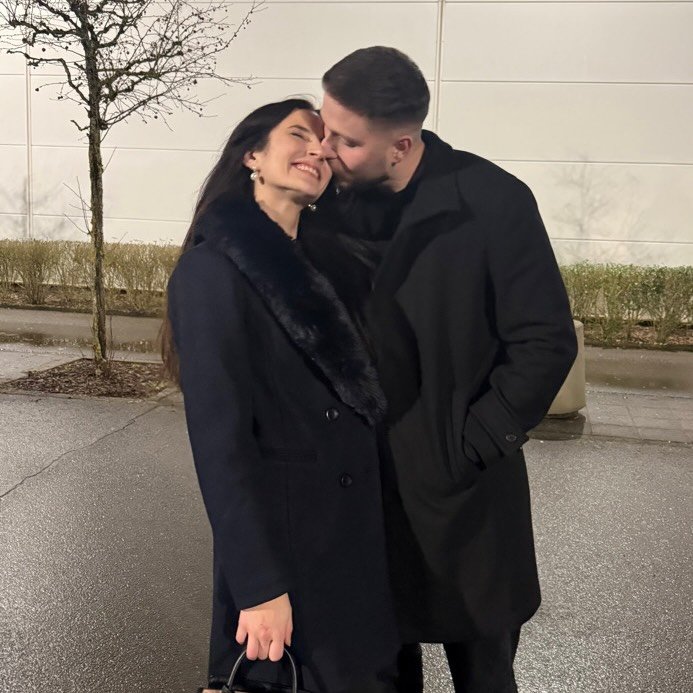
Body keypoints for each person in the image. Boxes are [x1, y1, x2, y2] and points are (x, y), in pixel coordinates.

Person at [315, 47, 579, 692]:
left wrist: (471, 444)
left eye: (347, 140)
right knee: (380, 672)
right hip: (361, 495)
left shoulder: (492, 202)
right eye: (325, 127)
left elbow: (545, 340)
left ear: (401, 147)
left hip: (467, 502)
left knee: (485, 673)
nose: (325, 148)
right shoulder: (326, 206)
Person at [159, 99, 401, 693]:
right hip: (288, 552)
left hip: (355, 542)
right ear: (252, 156)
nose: (317, 149)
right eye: (298, 135)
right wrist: (259, 586)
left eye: (325, 142)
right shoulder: (212, 271)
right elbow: (221, 444)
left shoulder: (332, 269)